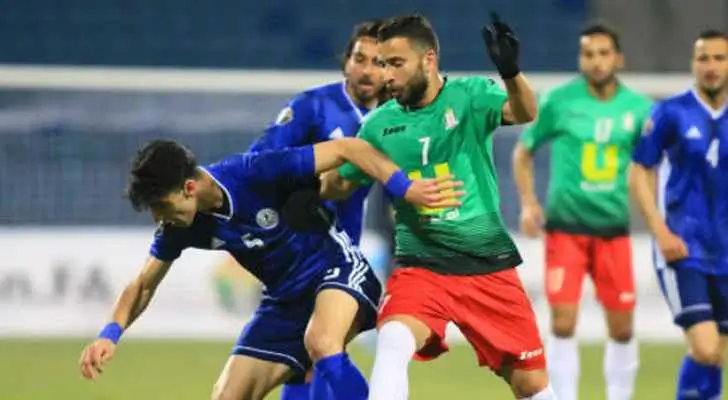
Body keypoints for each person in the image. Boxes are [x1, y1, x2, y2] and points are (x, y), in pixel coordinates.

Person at [77, 137, 461, 400]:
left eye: (162, 206)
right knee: (227, 396)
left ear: (189, 188)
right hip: (284, 301)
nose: (161, 218)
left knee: (322, 341)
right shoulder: (180, 226)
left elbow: (350, 147)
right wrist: (110, 334)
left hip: (337, 270)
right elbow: (143, 284)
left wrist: (404, 188)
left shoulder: (254, 173)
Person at [326, 13, 555, 399]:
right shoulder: (378, 125)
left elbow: (526, 112)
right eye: (383, 64)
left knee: (531, 385)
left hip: (487, 266)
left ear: (428, 59)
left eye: (396, 63)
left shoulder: (470, 95)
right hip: (422, 266)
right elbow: (343, 182)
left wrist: (511, 72)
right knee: (394, 337)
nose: (386, 75)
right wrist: (304, 184)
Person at [512, 23, 652, 400]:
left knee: (622, 328)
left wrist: (657, 219)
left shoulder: (639, 109)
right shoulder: (559, 100)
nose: (596, 61)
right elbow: (523, 152)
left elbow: (649, 167)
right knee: (563, 322)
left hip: (613, 229)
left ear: (618, 58)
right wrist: (529, 203)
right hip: (565, 229)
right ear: (580, 58)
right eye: (588, 53)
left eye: (603, 53)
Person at [247, 20, 386, 399]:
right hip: (299, 250)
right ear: (346, 62)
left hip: (344, 252)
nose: (367, 69)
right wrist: (305, 186)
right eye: (360, 59)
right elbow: (258, 163)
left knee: (316, 354)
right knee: (313, 355)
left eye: (378, 62)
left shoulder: (387, 120)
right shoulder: (313, 107)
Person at [629, 29, 728, 400]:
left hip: (725, 251)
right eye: (704, 58)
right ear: (693, 64)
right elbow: (640, 170)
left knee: (715, 354)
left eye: (720, 58)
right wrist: (660, 231)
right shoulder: (671, 112)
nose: (711, 66)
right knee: (704, 347)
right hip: (683, 248)